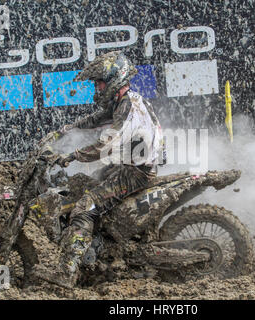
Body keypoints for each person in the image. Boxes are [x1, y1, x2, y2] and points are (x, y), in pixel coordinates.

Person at [35, 51, 165, 288]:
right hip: (130, 164)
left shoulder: (128, 107)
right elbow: (96, 119)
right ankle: (97, 244)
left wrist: (72, 156)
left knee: (84, 207)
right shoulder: (124, 100)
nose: (97, 87)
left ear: (115, 78)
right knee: (84, 184)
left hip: (135, 172)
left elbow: (106, 144)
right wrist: (65, 130)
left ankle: (67, 272)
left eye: (100, 82)